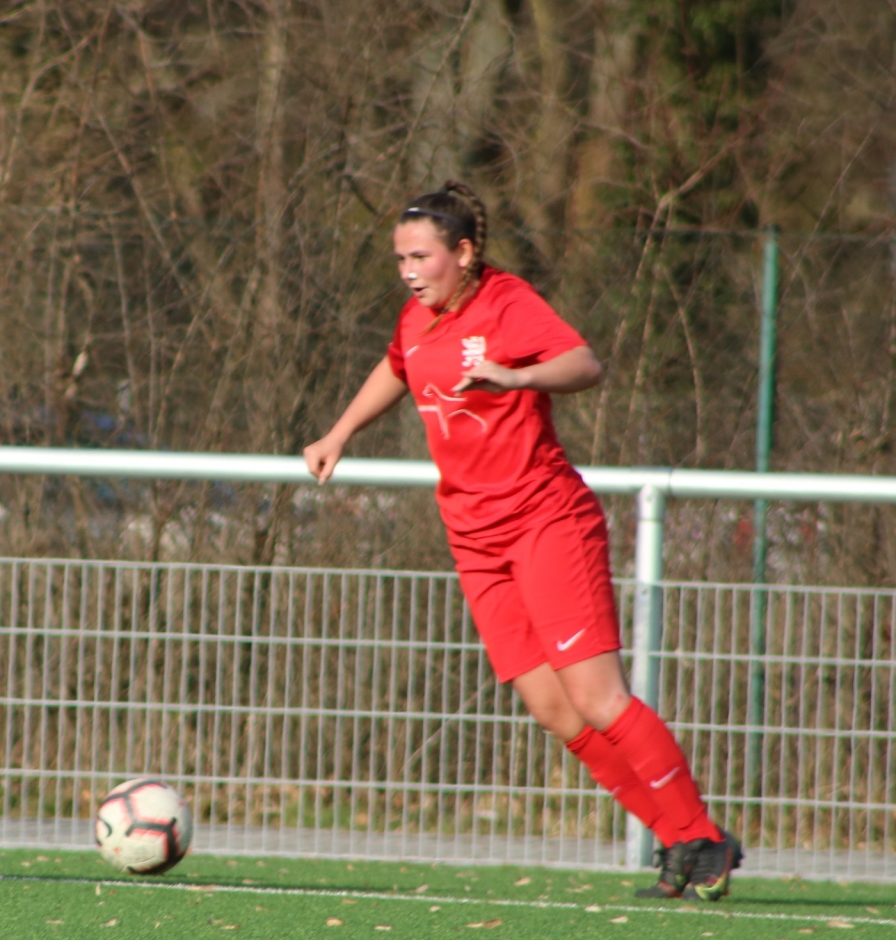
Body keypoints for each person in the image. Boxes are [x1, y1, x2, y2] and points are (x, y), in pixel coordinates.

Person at [303, 182, 740, 901]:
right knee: (555, 711)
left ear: (464, 253)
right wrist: (340, 432)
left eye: (422, 256)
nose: (409, 271)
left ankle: (701, 838)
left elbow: (585, 364)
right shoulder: (417, 318)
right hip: (474, 538)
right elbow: (398, 364)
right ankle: (676, 841)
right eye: (400, 259)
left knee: (598, 699)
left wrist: (517, 375)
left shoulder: (506, 303)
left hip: (545, 520)